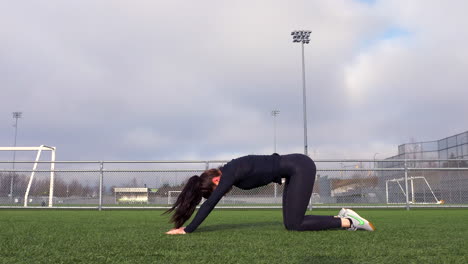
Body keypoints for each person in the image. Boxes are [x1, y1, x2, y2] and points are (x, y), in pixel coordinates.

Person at [165, 153, 375, 234]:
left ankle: (348, 221)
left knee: (295, 224)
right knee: (292, 223)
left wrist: (188, 229)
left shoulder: (230, 172)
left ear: (216, 181)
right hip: (294, 171)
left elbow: (210, 205)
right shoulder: (232, 171)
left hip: (300, 167)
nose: (221, 192)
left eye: (215, 190)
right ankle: (345, 218)